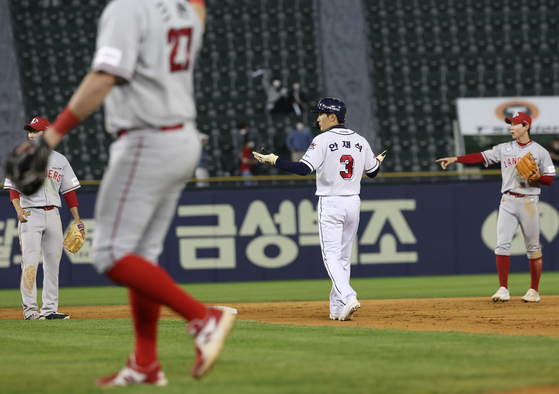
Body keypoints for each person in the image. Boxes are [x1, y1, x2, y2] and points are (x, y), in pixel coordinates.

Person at [34, 0, 234, 387]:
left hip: (147, 139)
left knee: (110, 254)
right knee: (141, 257)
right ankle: (145, 363)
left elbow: (104, 77)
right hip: (184, 138)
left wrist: (53, 135)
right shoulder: (184, 10)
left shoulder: (126, 8)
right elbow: (199, 8)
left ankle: (202, 317)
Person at [253, 98, 385, 321]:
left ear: (333, 117)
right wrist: (378, 161)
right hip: (353, 202)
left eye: (321, 114)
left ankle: (349, 296)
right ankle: (337, 308)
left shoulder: (322, 140)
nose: (317, 118)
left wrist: (275, 160)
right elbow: (372, 172)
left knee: (330, 257)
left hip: (331, 202)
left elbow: (304, 169)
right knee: (343, 257)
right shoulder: (360, 140)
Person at [436, 112, 556, 303]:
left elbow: (549, 179)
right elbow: (480, 156)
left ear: (526, 126)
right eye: (510, 124)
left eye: (516, 124)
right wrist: (456, 159)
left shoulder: (540, 151)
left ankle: (534, 291)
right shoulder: (504, 148)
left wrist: (535, 177)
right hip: (507, 201)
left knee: (533, 248)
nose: (511, 127)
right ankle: (503, 289)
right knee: (501, 245)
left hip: (529, 201)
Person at [3, 117, 84, 321]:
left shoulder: (60, 160)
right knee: (30, 263)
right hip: (30, 215)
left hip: (53, 214)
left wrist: (77, 220)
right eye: (29, 131)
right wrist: (18, 208)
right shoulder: (22, 157)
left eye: (35, 131)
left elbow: (69, 192)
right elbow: (13, 188)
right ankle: (30, 311)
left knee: (52, 264)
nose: (31, 135)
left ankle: (49, 310)